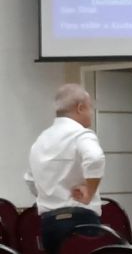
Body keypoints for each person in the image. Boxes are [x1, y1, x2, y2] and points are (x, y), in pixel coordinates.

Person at [24, 84, 106, 254]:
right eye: (90, 107)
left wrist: (52, 196)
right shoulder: (81, 134)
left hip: (49, 224)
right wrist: (89, 192)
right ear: (80, 108)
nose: (91, 112)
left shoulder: (41, 140)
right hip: (81, 222)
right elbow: (95, 158)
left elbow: (30, 180)